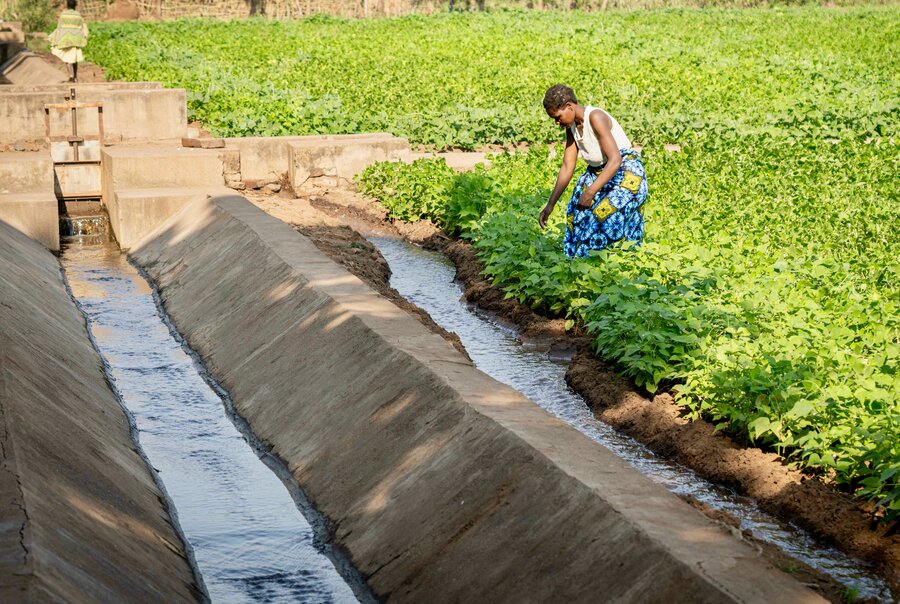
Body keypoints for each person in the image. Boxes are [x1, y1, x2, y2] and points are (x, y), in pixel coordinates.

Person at [538, 84, 648, 258]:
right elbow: (568, 166)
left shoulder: (595, 117)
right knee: (576, 213)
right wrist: (550, 205)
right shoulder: (572, 127)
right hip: (599, 172)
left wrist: (590, 193)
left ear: (569, 107)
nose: (557, 123)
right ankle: (583, 263)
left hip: (626, 172)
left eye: (558, 117)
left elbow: (615, 160)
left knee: (604, 214)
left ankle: (615, 261)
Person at [50, 0, 88, 83]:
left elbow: (59, 28)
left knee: (67, 58)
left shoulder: (63, 15)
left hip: (65, 39)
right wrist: (84, 37)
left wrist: (55, 39)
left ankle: (70, 76)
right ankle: (75, 77)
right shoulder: (78, 15)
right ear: (75, 5)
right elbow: (83, 27)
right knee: (74, 59)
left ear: (67, 5)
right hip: (76, 40)